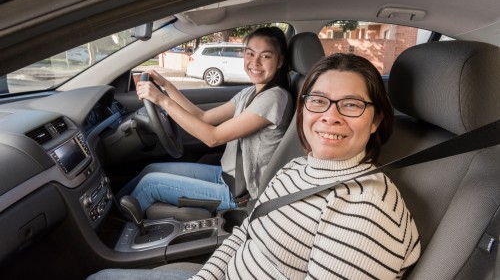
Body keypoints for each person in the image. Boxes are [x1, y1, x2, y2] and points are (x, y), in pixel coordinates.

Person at [88, 53, 421, 280]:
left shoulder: (365, 209)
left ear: (376, 119)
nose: (330, 116)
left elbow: (212, 136)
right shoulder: (298, 169)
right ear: (305, 109)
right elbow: (245, 234)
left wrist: (161, 100)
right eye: (318, 101)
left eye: (350, 104)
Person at [120, 26, 293, 213]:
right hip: (226, 176)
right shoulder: (251, 92)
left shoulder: (275, 98)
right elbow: (204, 117)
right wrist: (167, 86)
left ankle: (114, 232)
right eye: (250, 54)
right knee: (151, 169)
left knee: (149, 185)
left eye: (265, 56)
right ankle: (114, 212)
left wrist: (162, 100)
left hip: (241, 193)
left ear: (280, 61)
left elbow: (213, 137)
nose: (255, 62)